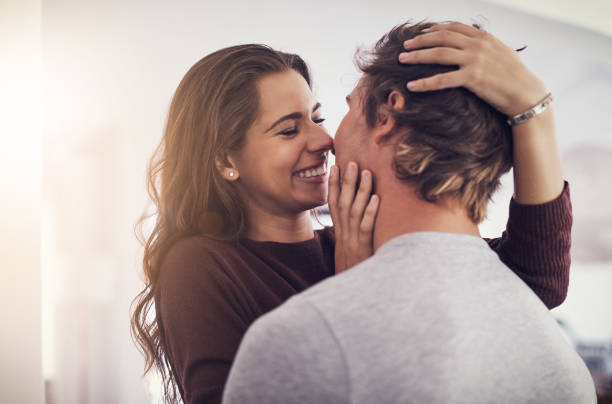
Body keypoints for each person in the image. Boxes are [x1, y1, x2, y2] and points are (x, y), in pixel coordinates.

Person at [131, 23, 574, 404]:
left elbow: (535, 281)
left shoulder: (362, 233)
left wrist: (533, 113)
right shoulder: (200, 265)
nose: (322, 140)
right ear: (225, 159)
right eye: (289, 129)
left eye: (318, 117)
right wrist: (353, 292)